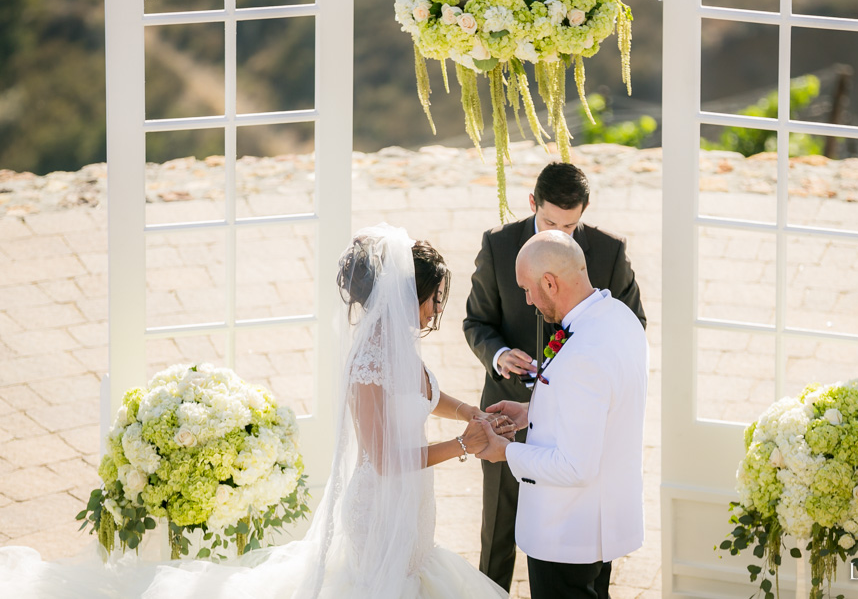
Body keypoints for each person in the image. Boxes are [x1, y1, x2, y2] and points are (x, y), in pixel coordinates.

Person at [0, 224, 514, 599]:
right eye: (429, 299)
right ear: (405, 297)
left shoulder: (398, 345)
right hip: (380, 511)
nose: (433, 310)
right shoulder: (368, 363)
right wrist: (465, 447)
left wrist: (471, 411)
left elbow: (421, 394)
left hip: (411, 507)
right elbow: (383, 457)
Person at [464, 162, 645, 591]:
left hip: (574, 424)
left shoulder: (607, 252)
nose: (562, 232)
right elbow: (477, 321)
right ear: (532, 204)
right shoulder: (498, 245)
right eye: (550, 222)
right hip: (511, 401)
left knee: (563, 558)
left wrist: (508, 447)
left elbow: (626, 329)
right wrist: (503, 358)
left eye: (571, 223)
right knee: (499, 527)